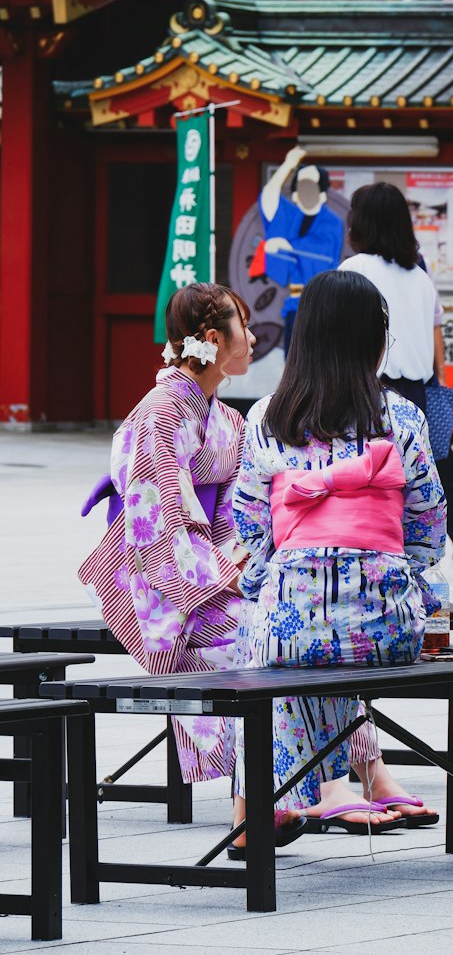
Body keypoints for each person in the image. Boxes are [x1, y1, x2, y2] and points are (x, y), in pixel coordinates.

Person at [78, 283, 303, 850]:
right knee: (256, 641)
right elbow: (154, 526)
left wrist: (243, 573)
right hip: (150, 575)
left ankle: (266, 801)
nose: (251, 338)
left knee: (286, 629)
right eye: (243, 327)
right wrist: (213, 586)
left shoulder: (224, 418)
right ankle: (262, 804)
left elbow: (232, 517)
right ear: (211, 339)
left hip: (206, 569)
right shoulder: (159, 414)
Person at [232, 269, 448, 838]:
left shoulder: (265, 417)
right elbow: (429, 523)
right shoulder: (401, 416)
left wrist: (278, 581)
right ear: (372, 340)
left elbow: (248, 526)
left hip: (292, 621)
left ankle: (265, 805)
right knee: (326, 637)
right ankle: (342, 784)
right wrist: (400, 579)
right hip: (386, 624)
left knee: (276, 636)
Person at [339, 181, 453, 572]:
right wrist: (441, 381)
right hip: (421, 389)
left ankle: (375, 542)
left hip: (370, 388)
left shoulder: (354, 269)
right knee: (439, 467)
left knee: (371, 469)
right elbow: (435, 331)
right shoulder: (420, 275)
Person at [257, 146, 344, 351]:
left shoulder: (331, 222)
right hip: (296, 305)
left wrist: (285, 245)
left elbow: (322, 249)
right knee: (294, 364)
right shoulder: (291, 217)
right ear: (295, 194)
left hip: (326, 304)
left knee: (325, 363)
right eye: (302, 185)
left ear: (323, 194)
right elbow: (269, 200)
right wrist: (288, 165)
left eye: (311, 186)